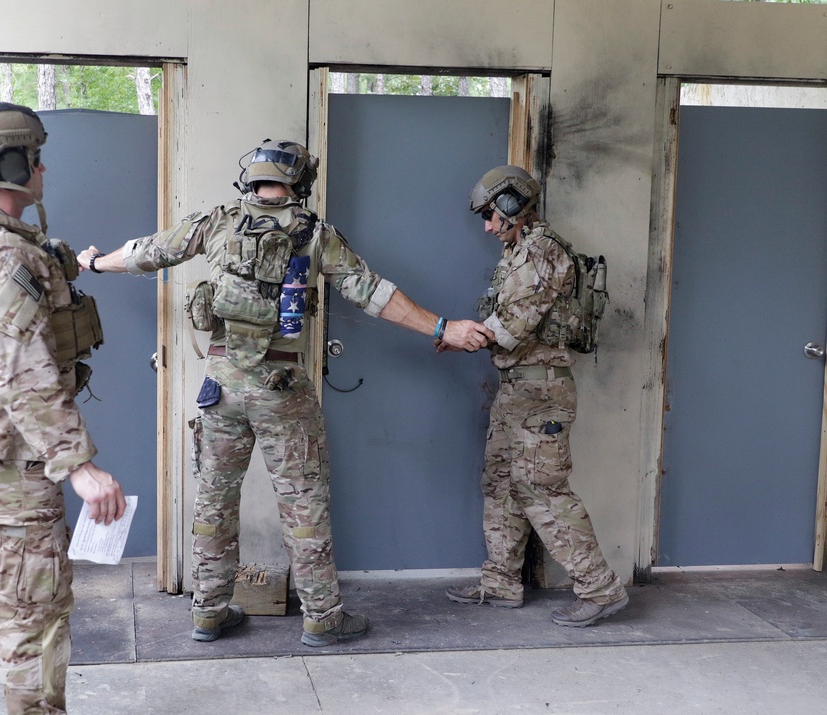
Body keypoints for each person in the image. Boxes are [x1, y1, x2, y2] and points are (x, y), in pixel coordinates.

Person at [77, 139, 493, 647]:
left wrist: (95, 264)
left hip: (221, 388)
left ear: (248, 178)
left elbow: (146, 253)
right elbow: (372, 293)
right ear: (299, 182)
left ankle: (208, 611)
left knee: (213, 502)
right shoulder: (315, 234)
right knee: (304, 505)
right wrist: (441, 328)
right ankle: (322, 617)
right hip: (283, 391)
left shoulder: (216, 223)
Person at [0, 101, 126, 715]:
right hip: (8, 469)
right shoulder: (4, 254)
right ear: (10, 164)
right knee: (31, 624)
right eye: (35, 158)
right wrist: (78, 467)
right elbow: (20, 371)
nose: (43, 169)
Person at [443, 166, 628, 627]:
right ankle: (502, 581)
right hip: (519, 388)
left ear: (512, 205)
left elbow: (513, 326)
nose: (487, 226)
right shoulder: (520, 251)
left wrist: (462, 336)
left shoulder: (542, 252)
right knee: (502, 481)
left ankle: (600, 589)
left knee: (543, 489)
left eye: (490, 214)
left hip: (541, 389)